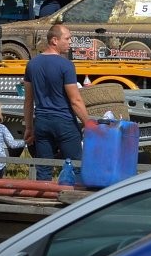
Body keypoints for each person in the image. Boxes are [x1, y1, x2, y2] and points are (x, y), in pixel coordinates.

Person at [23, 24, 97, 181]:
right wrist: (88, 123)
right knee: (77, 167)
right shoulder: (66, 65)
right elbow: (75, 100)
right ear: (54, 40)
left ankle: (43, 195)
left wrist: (29, 127)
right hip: (64, 123)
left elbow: (28, 101)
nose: (70, 42)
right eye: (67, 38)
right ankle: (77, 196)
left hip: (42, 123)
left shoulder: (32, 64)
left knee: (44, 169)